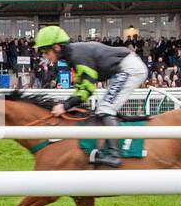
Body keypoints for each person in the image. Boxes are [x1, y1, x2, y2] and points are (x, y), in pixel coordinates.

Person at [33, 25, 148, 167]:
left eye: (45, 51)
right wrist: (67, 103)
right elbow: (81, 87)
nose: (45, 56)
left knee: (105, 109)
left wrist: (65, 105)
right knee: (103, 108)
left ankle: (114, 155)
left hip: (129, 68)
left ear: (56, 47)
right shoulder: (73, 55)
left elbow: (88, 89)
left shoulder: (77, 55)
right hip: (124, 67)